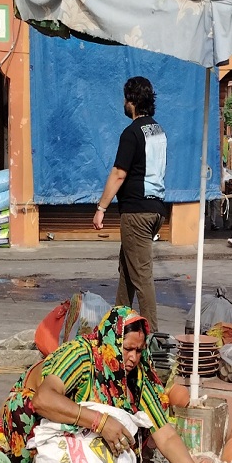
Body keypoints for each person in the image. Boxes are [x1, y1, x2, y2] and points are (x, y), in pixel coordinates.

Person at [1, 306, 219, 463]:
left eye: (139, 350)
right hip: (40, 417)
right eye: (127, 349)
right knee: (23, 407)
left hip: (79, 425)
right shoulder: (81, 355)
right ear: (111, 342)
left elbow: (165, 433)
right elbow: (43, 400)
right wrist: (100, 422)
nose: (133, 357)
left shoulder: (136, 374)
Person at [94, 77, 169, 331]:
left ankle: (153, 339)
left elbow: (119, 173)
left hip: (137, 212)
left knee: (142, 277)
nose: (124, 103)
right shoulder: (158, 131)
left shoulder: (131, 133)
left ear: (133, 101)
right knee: (128, 271)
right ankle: (117, 328)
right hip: (156, 209)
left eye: (126, 99)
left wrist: (101, 208)